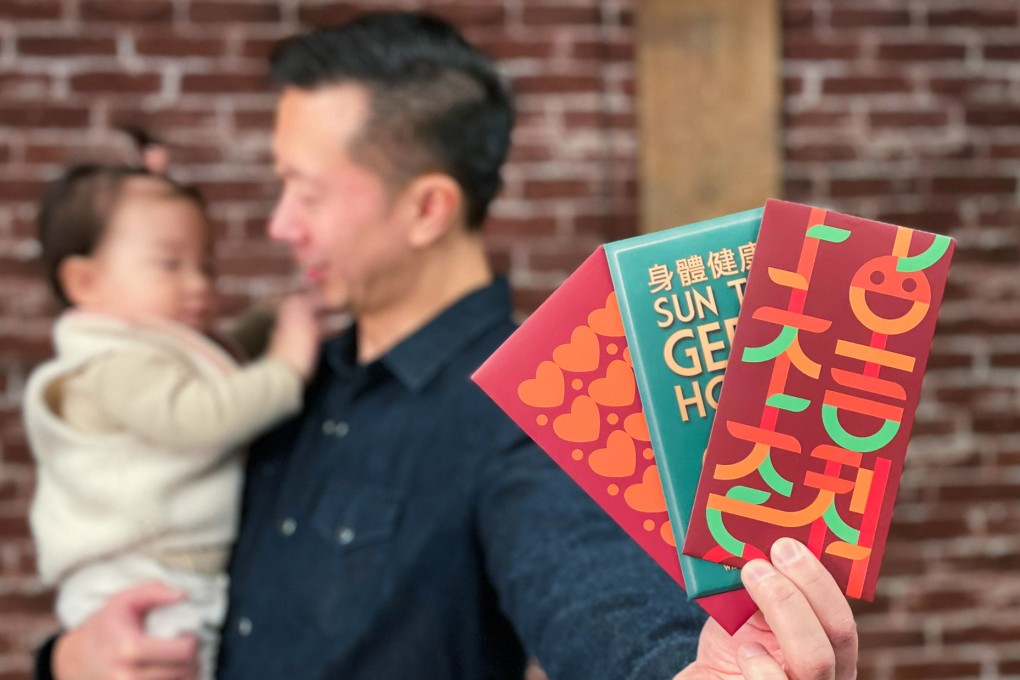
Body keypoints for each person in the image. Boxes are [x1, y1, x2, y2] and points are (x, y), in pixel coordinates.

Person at [36, 11, 858, 680]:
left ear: (428, 209)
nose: (279, 224)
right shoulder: (292, 381)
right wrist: (69, 656)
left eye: (305, 191)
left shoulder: (530, 413)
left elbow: (588, 583)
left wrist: (677, 670)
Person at [25, 161, 321, 680]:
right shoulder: (112, 365)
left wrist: (264, 325)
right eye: (169, 265)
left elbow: (216, 367)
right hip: (142, 583)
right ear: (85, 281)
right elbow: (203, 416)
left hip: (166, 575)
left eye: (205, 265)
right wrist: (288, 366)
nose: (198, 283)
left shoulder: (146, 344)